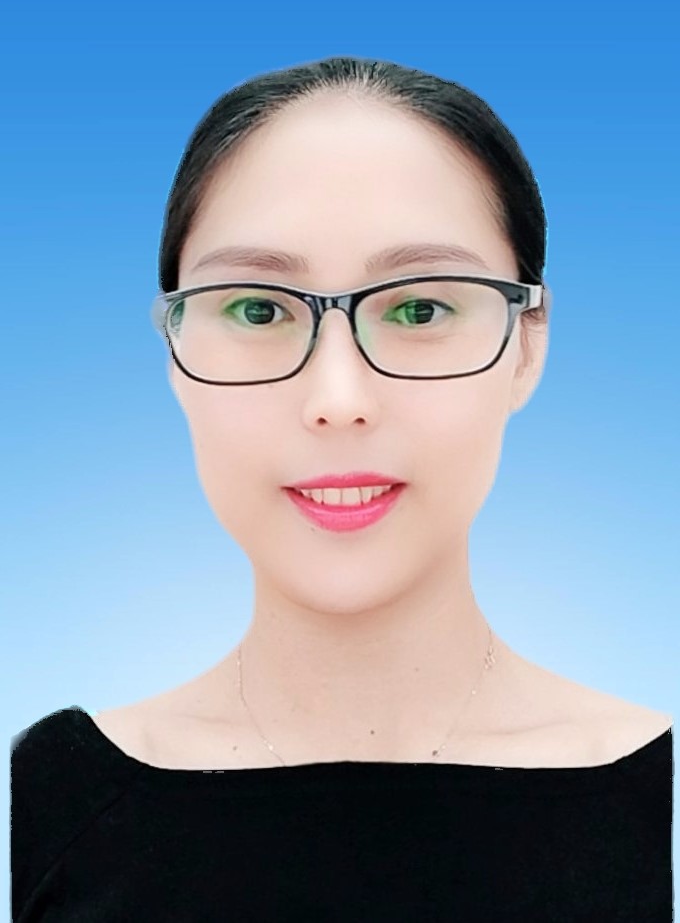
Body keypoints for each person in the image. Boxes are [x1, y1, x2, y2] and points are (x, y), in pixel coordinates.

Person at [11, 56, 673, 920]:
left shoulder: (660, 807)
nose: (337, 399)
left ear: (528, 344)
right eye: (258, 309)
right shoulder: (42, 803)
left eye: (419, 309)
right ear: (172, 350)